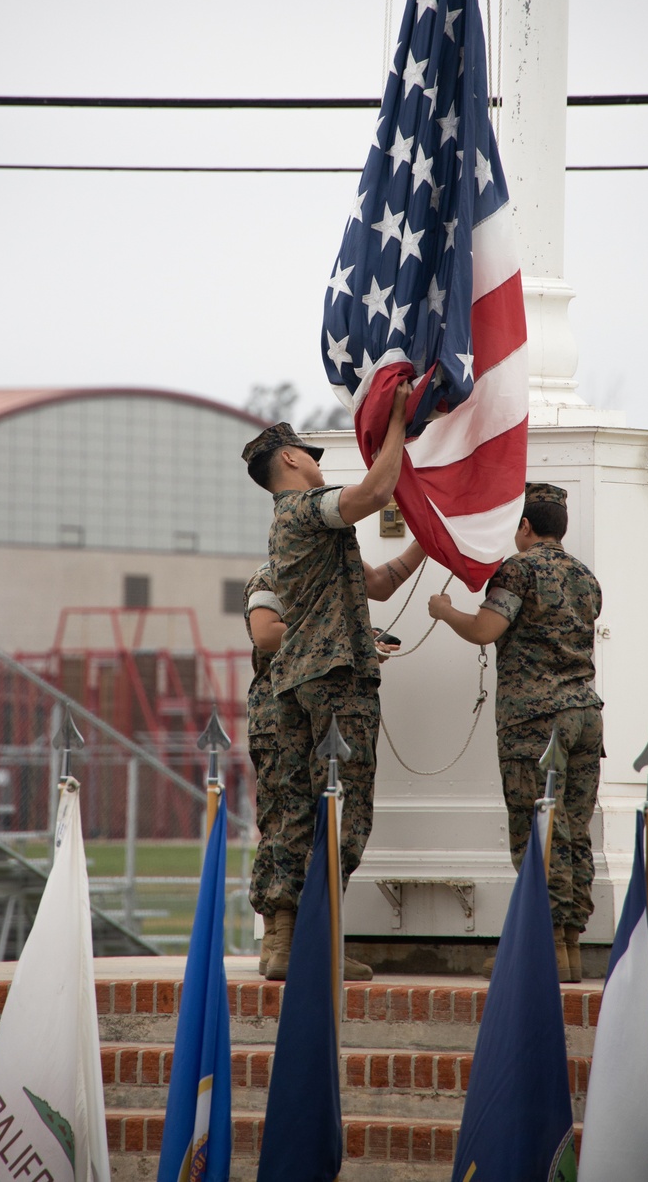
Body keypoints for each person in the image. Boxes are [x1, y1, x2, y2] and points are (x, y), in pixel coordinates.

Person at [241, 384, 424, 980]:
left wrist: (431, 539)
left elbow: (379, 585)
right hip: (335, 677)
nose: (319, 462)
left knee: (299, 809)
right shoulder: (301, 509)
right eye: (310, 453)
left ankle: (286, 946)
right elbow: (374, 491)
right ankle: (310, 944)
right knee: (344, 806)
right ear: (291, 459)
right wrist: (397, 420)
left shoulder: (301, 526)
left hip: (305, 681)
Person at [427, 482, 603, 982]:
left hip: (535, 721)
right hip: (586, 714)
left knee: (538, 831)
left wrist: (445, 613)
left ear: (525, 526)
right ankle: (566, 945)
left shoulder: (519, 569)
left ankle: (541, 949)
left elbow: (485, 630)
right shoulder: (585, 577)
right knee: (571, 830)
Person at [241, 562, 286, 977]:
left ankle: (278, 943)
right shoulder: (270, 575)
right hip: (278, 719)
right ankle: (279, 940)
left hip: (299, 718)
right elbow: (266, 633)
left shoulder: (325, 570)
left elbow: (382, 581)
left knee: (285, 825)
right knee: (283, 825)